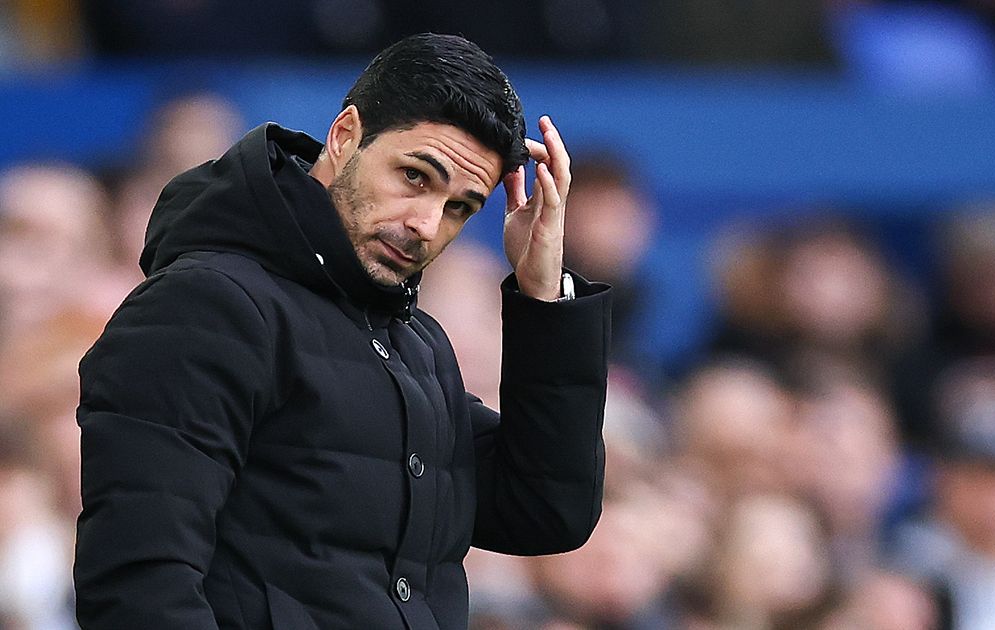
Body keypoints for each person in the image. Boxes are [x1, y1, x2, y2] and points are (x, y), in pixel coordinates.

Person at [74, 33, 612, 630]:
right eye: (414, 176)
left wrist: (544, 296)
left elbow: (544, 508)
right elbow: (140, 588)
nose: (426, 224)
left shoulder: (418, 345)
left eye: (461, 206)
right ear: (345, 135)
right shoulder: (204, 306)